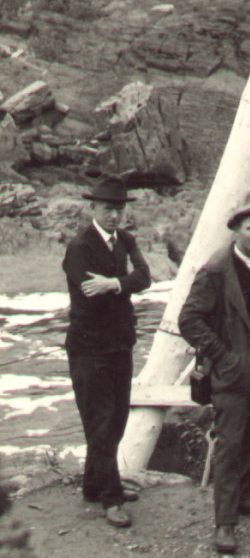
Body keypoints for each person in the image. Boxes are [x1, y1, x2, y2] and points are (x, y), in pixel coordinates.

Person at [178, 203, 250, 554]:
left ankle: (243, 499)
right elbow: (189, 321)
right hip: (232, 377)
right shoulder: (216, 270)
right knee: (229, 448)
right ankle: (224, 524)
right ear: (236, 231)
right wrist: (224, 357)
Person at [63, 174, 151, 528]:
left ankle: (92, 485)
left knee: (115, 421)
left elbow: (145, 277)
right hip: (89, 349)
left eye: (119, 209)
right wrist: (123, 288)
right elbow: (89, 292)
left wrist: (115, 283)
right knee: (100, 423)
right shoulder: (80, 246)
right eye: (107, 209)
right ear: (93, 208)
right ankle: (111, 499)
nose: (114, 215)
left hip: (120, 344)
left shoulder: (125, 240)